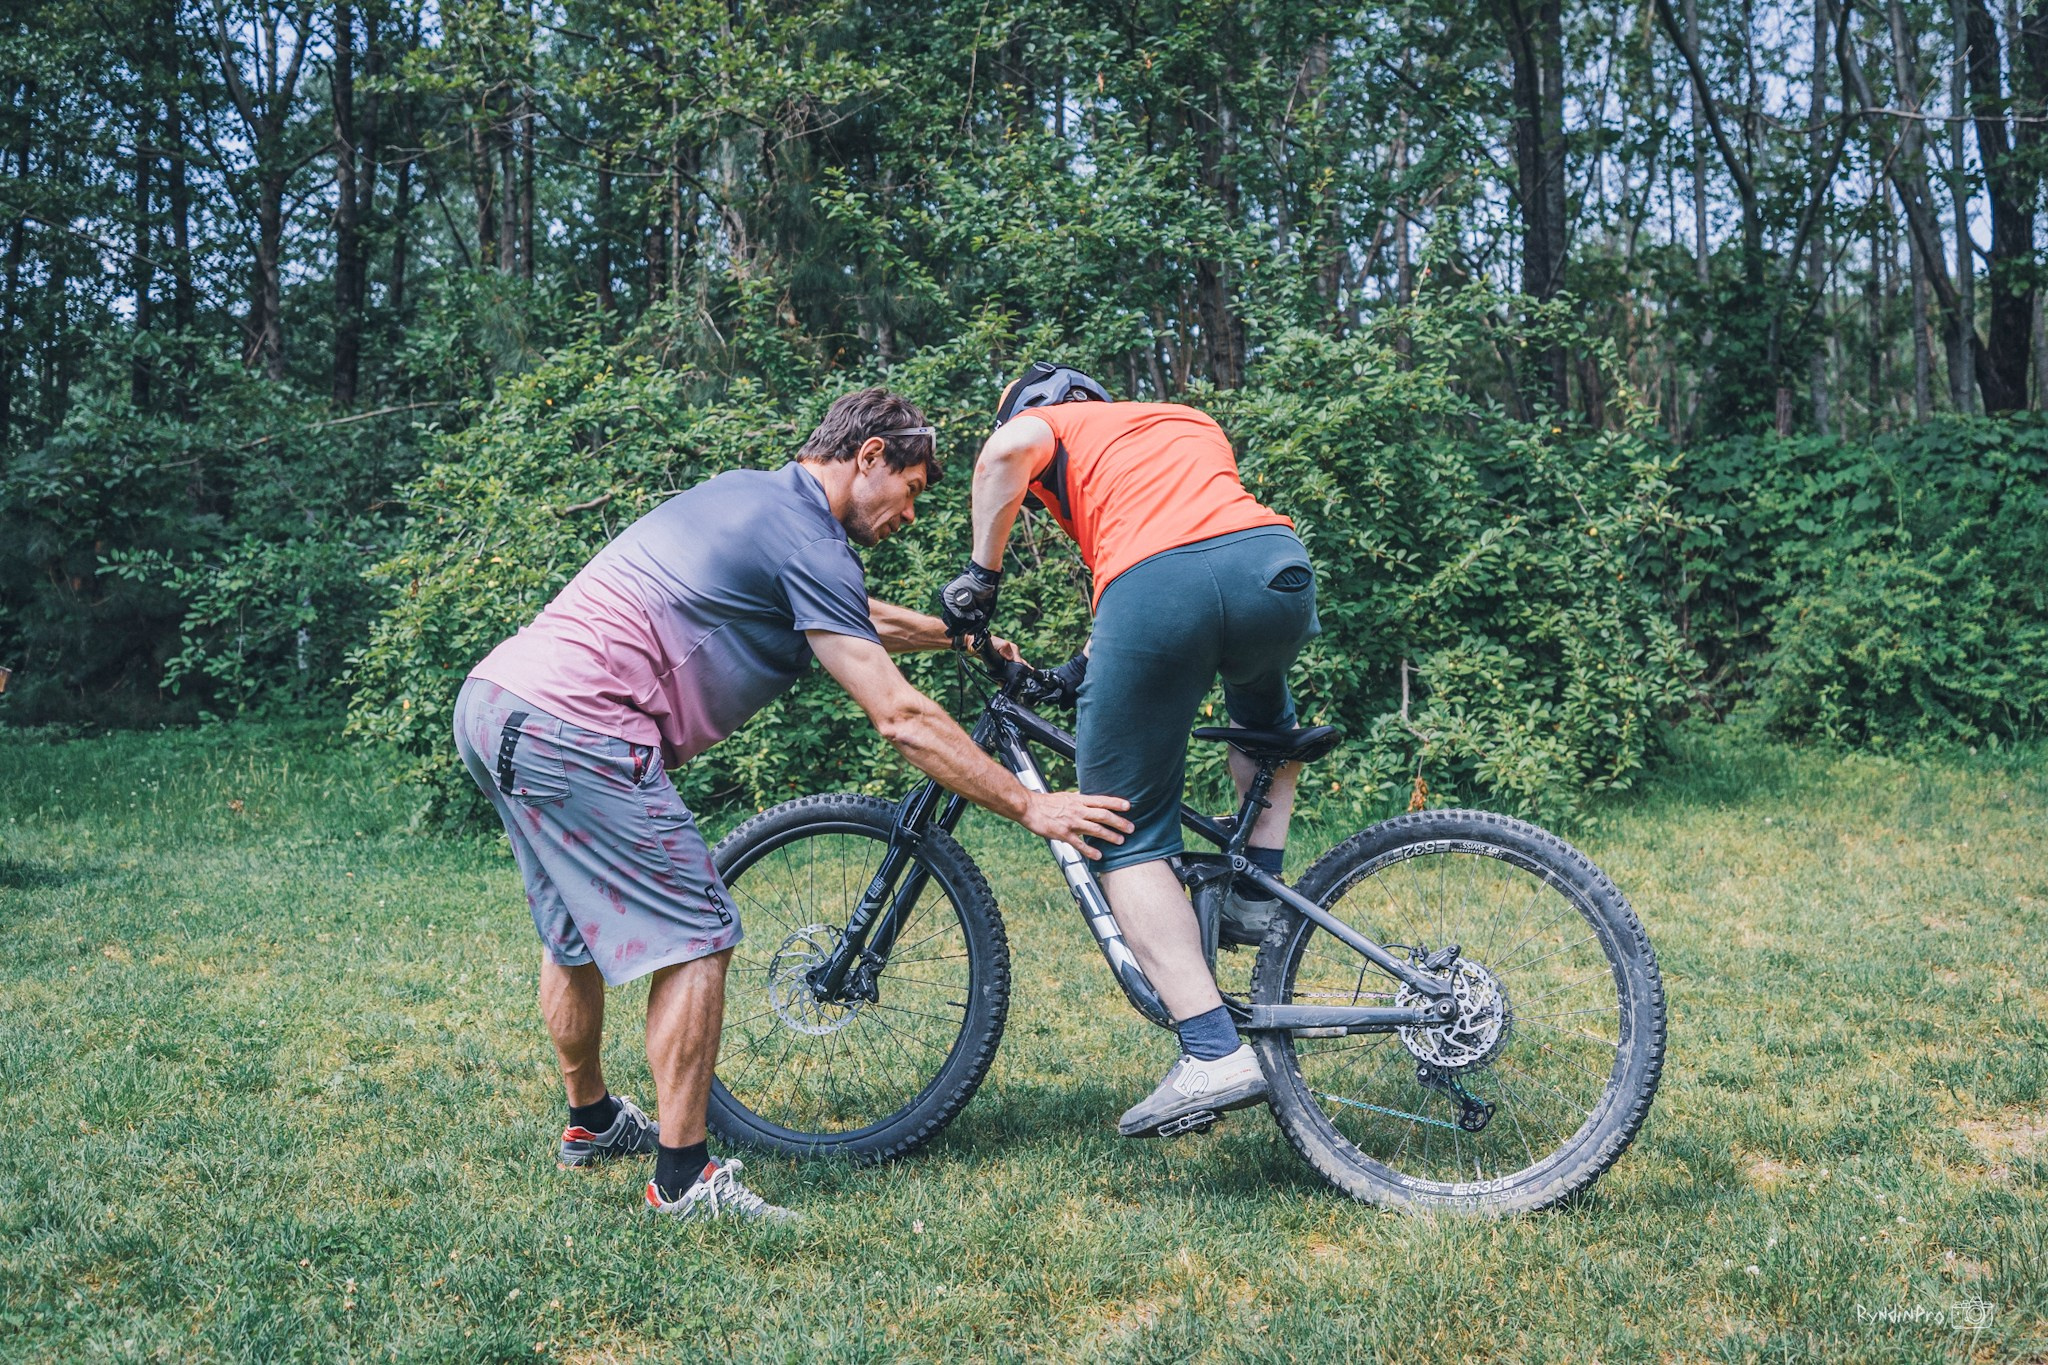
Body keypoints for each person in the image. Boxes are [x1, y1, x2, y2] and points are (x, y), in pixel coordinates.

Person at [455, 387, 1132, 1222]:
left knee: (572, 934)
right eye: (914, 488)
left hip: (497, 704)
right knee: (699, 934)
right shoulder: (810, 538)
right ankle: (683, 1179)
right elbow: (901, 716)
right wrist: (1034, 808)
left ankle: (592, 1119)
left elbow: (846, 612)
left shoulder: (752, 497)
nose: (912, 514)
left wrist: (954, 634)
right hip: (581, 729)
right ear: (870, 455)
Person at [938, 363, 1319, 1139]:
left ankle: (1211, 1051)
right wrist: (1073, 672)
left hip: (1162, 585)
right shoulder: (1181, 418)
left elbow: (1005, 453)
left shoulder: (1051, 428)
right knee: (1264, 724)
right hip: (1274, 565)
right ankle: (1257, 891)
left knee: (1122, 828)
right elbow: (1189, 544)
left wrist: (982, 576)